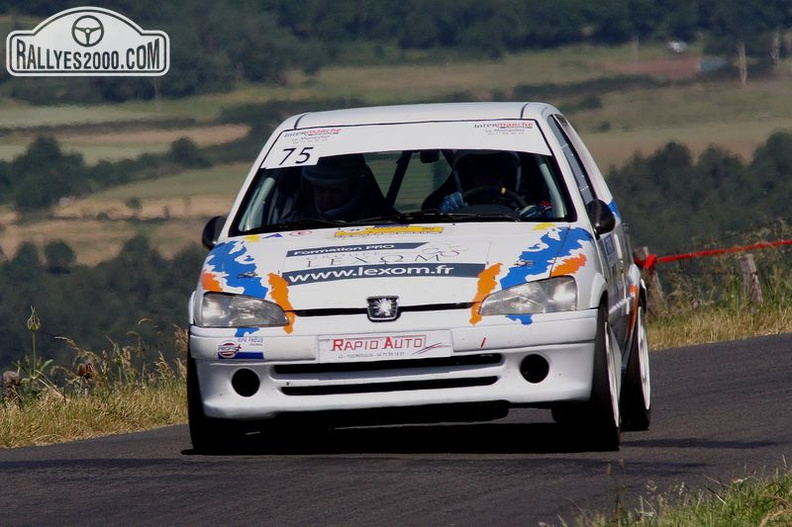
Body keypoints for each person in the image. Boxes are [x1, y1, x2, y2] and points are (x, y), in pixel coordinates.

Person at [300, 154, 389, 220]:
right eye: (320, 190)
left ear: (353, 191)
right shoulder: (293, 218)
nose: (327, 198)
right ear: (310, 189)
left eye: (336, 192)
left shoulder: (374, 220)